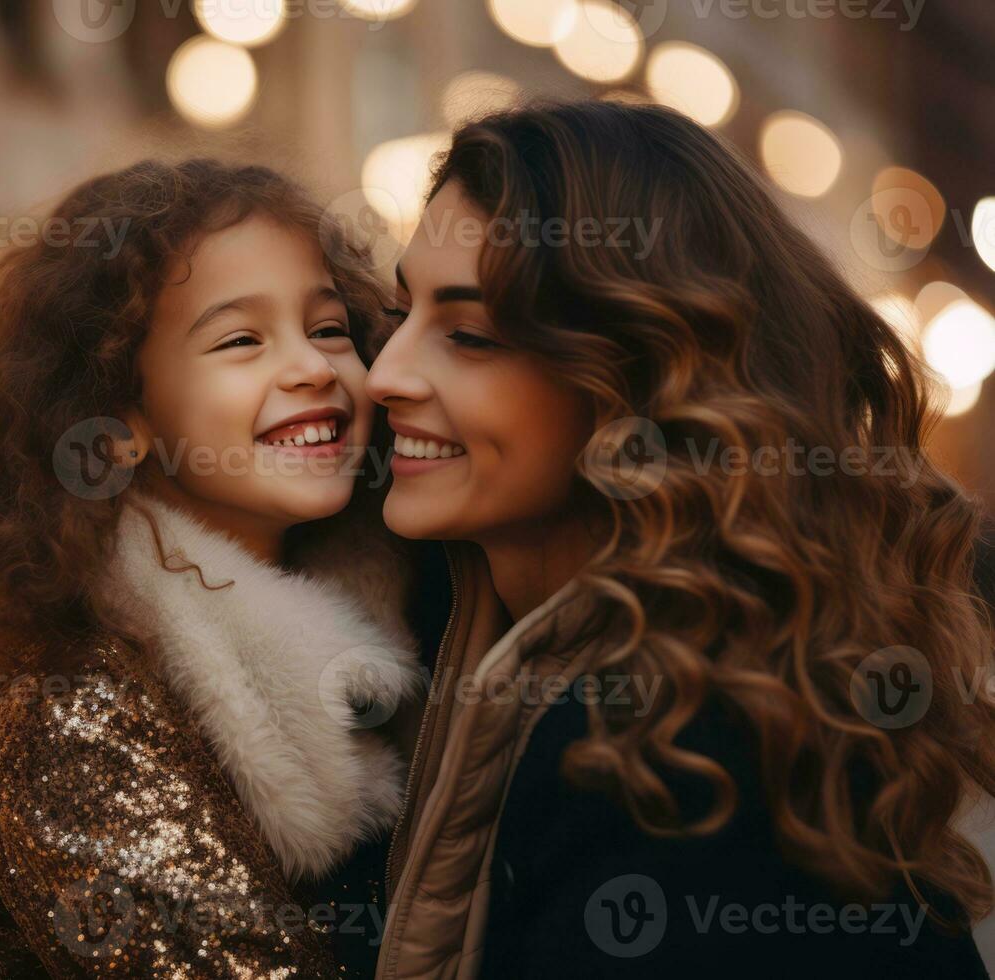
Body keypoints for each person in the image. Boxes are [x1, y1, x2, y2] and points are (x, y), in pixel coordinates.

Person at [366, 100, 994, 978]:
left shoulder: (677, 757)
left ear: (638, 378)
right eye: (401, 314)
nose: (383, 374)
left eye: (468, 334)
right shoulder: (470, 651)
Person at [0, 158, 426, 977]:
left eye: (330, 328)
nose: (312, 367)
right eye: (240, 339)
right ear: (118, 420)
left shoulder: (407, 621)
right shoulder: (55, 704)